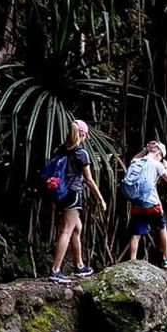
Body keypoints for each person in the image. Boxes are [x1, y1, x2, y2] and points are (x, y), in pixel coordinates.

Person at [49, 119, 106, 283]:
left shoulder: (61, 149)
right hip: (73, 194)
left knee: (76, 228)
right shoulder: (81, 153)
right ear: (83, 134)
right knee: (67, 230)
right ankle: (56, 270)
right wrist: (100, 199)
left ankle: (80, 266)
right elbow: (88, 180)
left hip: (60, 193)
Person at [125, 141, 167, 269]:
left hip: (136, 202)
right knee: (162, 227)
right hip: (151, 203)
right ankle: (166, 259)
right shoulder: (157, 164)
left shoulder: (136, 162)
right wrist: (165, 167)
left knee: (136, 233)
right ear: (158, 154)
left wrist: (145, 149)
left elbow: (135, 157)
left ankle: (131, 261)